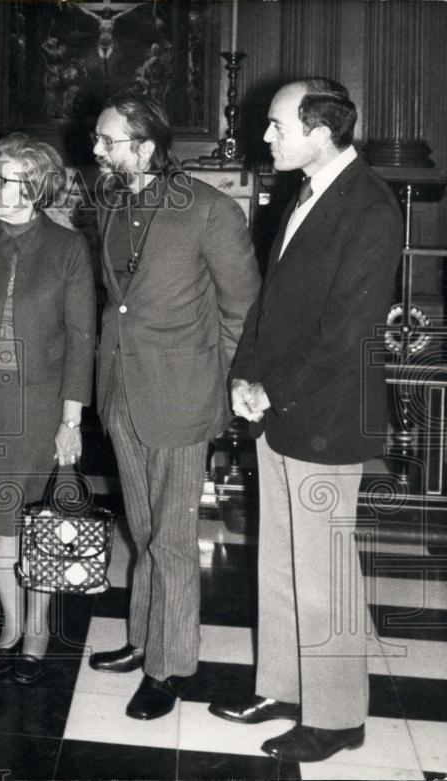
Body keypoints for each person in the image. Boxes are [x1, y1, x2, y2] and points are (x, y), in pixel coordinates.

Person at [209, 78, 402, 763]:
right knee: (282, 563)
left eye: (276, 125)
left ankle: (338, 715)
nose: (266, 136)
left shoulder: (371, 208)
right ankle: (285, 687)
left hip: (323, 415)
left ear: (321, 131)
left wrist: (271, 391)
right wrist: (242, 374)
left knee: (325, 573)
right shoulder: (305, 191)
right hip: (280, 408)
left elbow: (347, 330)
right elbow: (271, 304)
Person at [87, 93, 260, 719]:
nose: (97, 149)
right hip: (122, 391)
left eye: (108, 140)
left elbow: (242, 312)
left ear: (146, 147)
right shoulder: (112, 200)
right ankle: (141, 638)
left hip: (183, 396)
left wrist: (229, 390)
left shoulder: (210, 212)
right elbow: (120, 301)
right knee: (144, 531)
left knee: (176, 541)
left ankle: (172, 665)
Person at [0, 133, 96, 685]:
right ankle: (10, 622)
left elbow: (83, 340)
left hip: (43, 406)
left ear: (32, 187)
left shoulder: (68, 249)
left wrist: (71, 422)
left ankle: (38, 627)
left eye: (1, 179)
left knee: (39, 524)